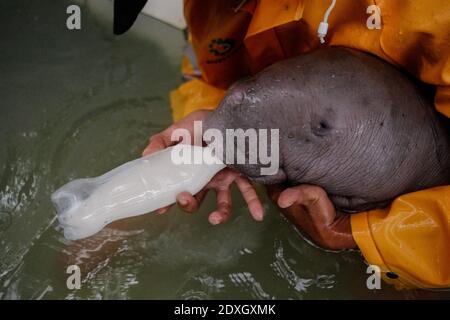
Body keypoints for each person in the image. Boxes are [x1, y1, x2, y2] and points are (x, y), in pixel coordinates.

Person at [119, 0, 450, 289]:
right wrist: (208, 126)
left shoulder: (434, 10)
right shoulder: (207, 5)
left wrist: (360, 235)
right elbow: (205, 71)